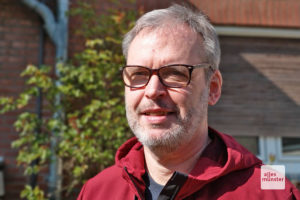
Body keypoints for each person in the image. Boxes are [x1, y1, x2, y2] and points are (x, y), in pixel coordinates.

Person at [77, 3, 300, 200]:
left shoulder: (271, 194)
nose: (153, 91)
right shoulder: (97, 192)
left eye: (175, 74)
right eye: (139, 75)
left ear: (213, 88)